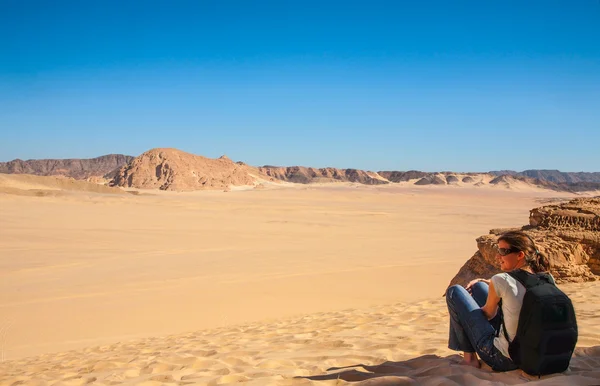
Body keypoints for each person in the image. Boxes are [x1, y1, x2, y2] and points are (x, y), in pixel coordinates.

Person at [445, 230, 551, 371]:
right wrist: (490, 286)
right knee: (479, 286)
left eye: (503, 251)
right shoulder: (547, 278)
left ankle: (469, 359)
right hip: (538, 356)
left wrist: (467, 313)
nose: (497, 256)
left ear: (520, 255)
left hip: (505, 359)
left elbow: (487, 314)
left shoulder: (501, 280)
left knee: (454, 292)